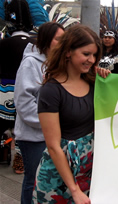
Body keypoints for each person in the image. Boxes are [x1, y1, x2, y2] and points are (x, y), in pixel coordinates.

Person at [32, 24, 109, 203]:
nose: (91, 59)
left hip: (89, 172)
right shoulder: (51, 91)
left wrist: (108, 80)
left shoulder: (94, 83)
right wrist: (74, 190)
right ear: (68, 52)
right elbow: (53, 146)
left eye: (95, 55)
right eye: (86, 54)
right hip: (58, 178)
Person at [14, 22, 65, 204]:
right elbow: (23, 102)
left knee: (46, 180)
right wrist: (48, 123)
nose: (62, 42)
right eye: (58, 39)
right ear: (46, 40)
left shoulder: (58, 62)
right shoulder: (30, 63)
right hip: (32, 136)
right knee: (33, 179)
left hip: (52, 134)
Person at [0, 0, 36, 175]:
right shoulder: (35, 46)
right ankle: (20, 160)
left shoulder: (3, 44)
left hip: (3, 90)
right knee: (23, 126)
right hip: (28, 91)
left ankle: (3, 149)